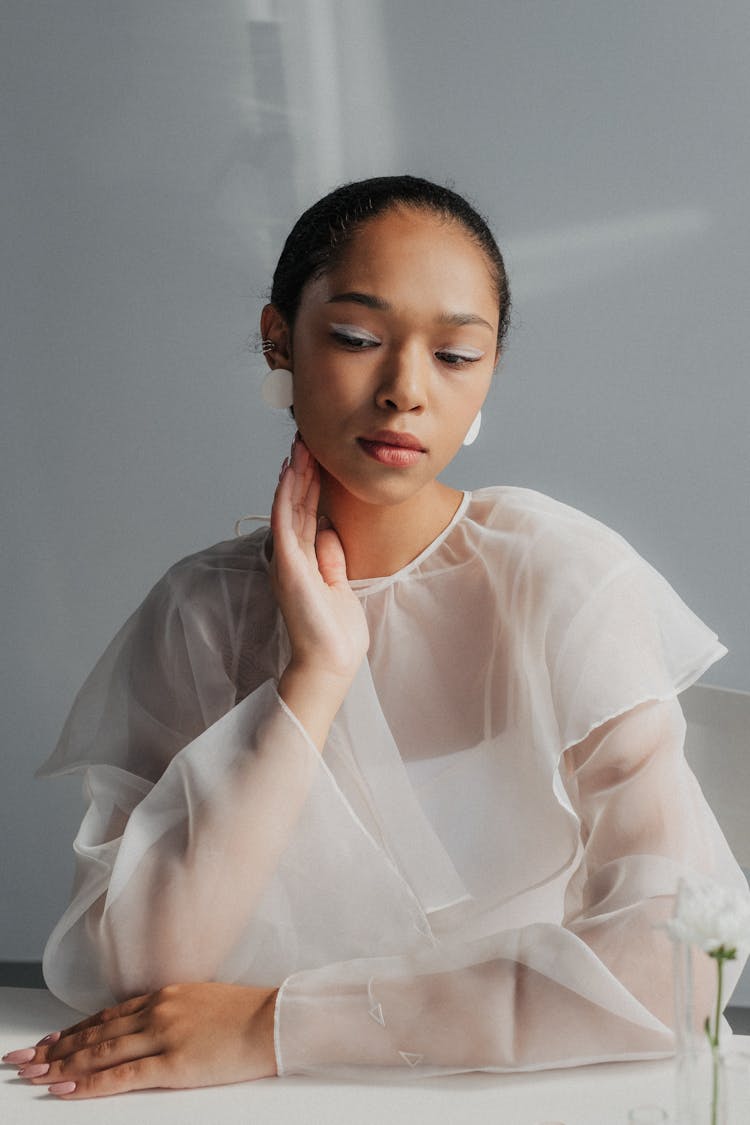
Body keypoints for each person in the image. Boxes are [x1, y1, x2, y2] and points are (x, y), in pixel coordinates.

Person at [4, 175, 748, 1099]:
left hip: (538, 1097)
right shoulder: (203, 609)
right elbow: (148, 967)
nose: (405, 391)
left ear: (490, 375)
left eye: (456, 354)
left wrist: (274, 1024)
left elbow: (680, 964)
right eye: (358, 339)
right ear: (279, 337)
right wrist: (315, 675)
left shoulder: (556, 576)